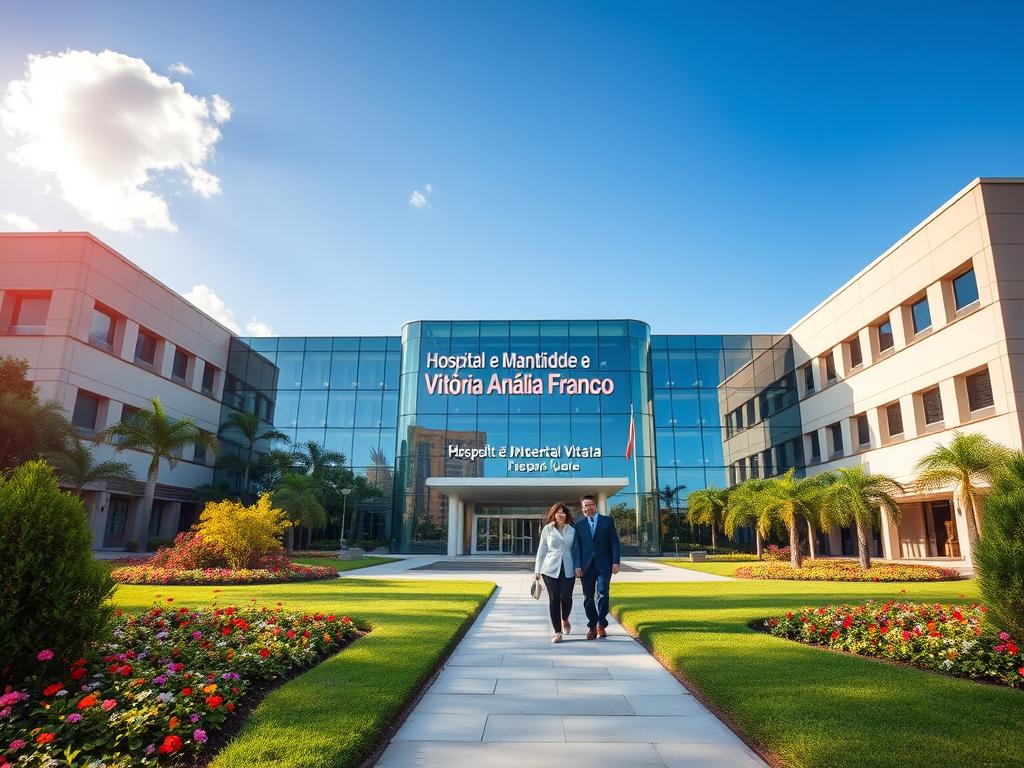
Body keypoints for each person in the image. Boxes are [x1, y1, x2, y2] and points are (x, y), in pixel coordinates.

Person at [572, 494, 620, 639]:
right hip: (586, 567)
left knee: (603, 593)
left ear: (595, 506)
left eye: (590, 505)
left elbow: (614, 542)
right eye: (585, 506)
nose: (588, 508)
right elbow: (576, 547)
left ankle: (601, 624)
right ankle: (592, 626)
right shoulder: (578, 524)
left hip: (604, 564)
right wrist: (577, 565)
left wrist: (616, 561)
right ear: (582, 508)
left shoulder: (607, 521)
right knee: (588, 597)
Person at [534, 501, 577, 644]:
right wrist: (537, 570)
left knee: (566, 597)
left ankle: (565, 618)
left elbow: (576, 550)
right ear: (553, 514)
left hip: (568, 568)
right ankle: (557, 632)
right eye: (558, 512)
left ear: (566, 515)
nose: (560, 514)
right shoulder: (547, 529)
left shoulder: (572, 529)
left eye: (563, 512)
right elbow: (542, 550)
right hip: (549, 569)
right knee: (554, 598)